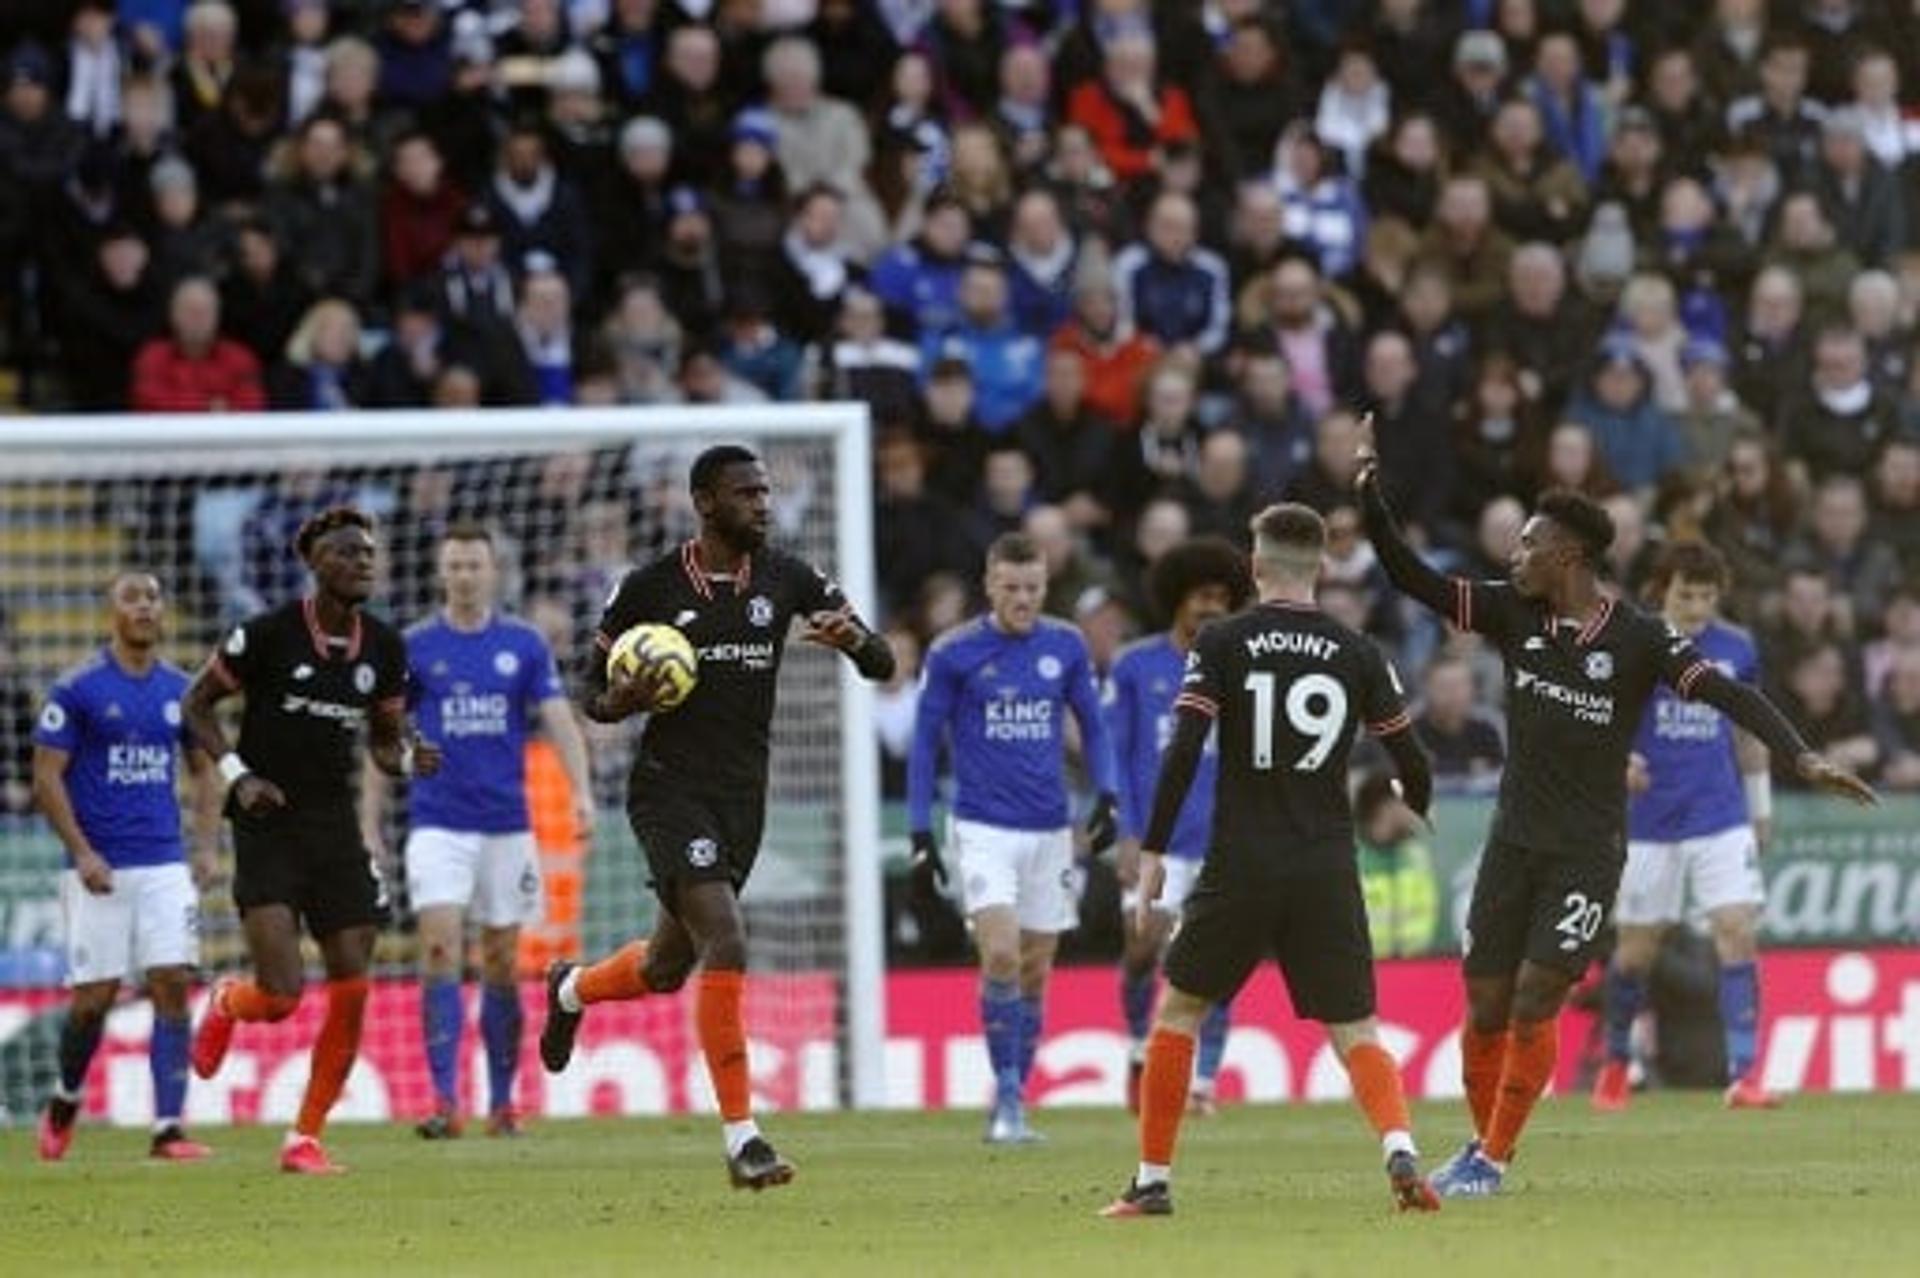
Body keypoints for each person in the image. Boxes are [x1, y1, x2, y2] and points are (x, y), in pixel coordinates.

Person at [1354, 419, 1877, 1199]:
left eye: (1526, 544)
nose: (1514, 556)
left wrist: (1800, 753)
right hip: (1512, 843)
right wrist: (1368, 491)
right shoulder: (1511, 613)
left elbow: (1731, 693)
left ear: (1567, 556)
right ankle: (1476, 1144)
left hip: (1587, 849)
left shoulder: (1641, 639)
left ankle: (1493, 1159)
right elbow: (1409, 576)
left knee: (1536, 995)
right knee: (1487, 1001)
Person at [539, 446, 894, 1190]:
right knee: (727, 939)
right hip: (668, 790)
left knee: (669, 967)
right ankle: (744, 1141)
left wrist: (855, 641)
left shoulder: (789, 577)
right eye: (747, 493)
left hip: (744, 798)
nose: (763, 504)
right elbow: (589, 692)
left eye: (766, 492)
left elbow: (883, 662)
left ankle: (571, 989)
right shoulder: (648, 587)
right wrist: (620, 703)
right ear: (705, 502)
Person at [1100, 503, 1439, 1219]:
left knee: (1179, 1012)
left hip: (1240, 861)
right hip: (1324, 861)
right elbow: (1413, 763)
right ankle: (1399, 1148)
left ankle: (1152, 1180)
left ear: (1255, 567)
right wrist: (1419, 796)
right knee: (1356, 1031)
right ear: (1320, 566)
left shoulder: (1223, 640)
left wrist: (1154, 847)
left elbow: (1185, 749)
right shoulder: (1358, 651)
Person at [184, 507, 443, 1175]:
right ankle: (229, 1001)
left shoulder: (385, 647)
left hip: (334, 828)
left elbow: (384, 744)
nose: (363, 561)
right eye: (349, 552)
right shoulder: (266, 634)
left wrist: (411, 757)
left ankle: (305, 1136)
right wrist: (238, 777)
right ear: (316, 563)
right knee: (281, 994)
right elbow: (194, 705)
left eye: (369, 553)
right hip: (268, 825)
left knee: (354, 979)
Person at [360, 524, 593, 1139]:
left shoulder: (522, 644)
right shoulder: (412, 646)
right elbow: (382, 738)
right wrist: (368, 819)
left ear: (493, 572)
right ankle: (443, 1100)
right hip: (437, 823)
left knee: (499, 960)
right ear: (442, 573)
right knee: (438, 947)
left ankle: (501, 1100)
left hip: (507, 826)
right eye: (455, 565)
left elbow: (559, 721)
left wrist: (584, 794)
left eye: (474, 565)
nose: (464, 575)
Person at [907, 532, 1119, 1144]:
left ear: (1045, 587)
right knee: (999, 953)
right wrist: (921, 829)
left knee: (1034, 969)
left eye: (1032, 588)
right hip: (981, 827)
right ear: (989, 586)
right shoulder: (954, 653)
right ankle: (1005, 1104)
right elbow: (925, 746)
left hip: (1050, 828)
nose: (1022, 600)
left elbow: (1095, 727)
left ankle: (1014, 1101)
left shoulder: (1065, 644)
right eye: (1011, 588)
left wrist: (1107, 794)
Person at [32, 572, 221, 1162]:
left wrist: (207, 845)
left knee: (171, 982)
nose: (144, 608)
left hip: (164, 862)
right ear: (110, 611)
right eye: (131, 599)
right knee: (95, 998)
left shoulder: (182, 690)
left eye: (152, 598)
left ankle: (168, 1128)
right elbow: (46, 776)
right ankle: (65, 1099)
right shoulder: (79, 688)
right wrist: (83, 852)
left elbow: (205, 771)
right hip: (99, 867)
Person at [1595, 542, 1781, 1112]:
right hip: (1651, 821)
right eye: (1686, 594)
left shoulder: (1736, 648)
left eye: (1706, 596)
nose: (1697, 607)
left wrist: (1760, 805)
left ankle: (1744, 1076)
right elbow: (1601, 719)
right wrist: (1617, 762)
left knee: (1736, 930)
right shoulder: (1636, 644)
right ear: (1661, 590)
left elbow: (1749, 730)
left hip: (1719, 814)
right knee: (1636, 952)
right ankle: (1617, 1064)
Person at [1106, 538, 1251, 1117]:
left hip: (1222, 841)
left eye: (1221, 598)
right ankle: (1139, 1049)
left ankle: (1204, 1081)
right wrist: (1124, 831)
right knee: (1142, 948)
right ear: (1176, 600)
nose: (1211, 608)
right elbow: (1116, 753)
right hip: (1153, 841)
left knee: (1217, 964)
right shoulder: (1136, 666)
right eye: (1200, 597)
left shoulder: (1241, 667)